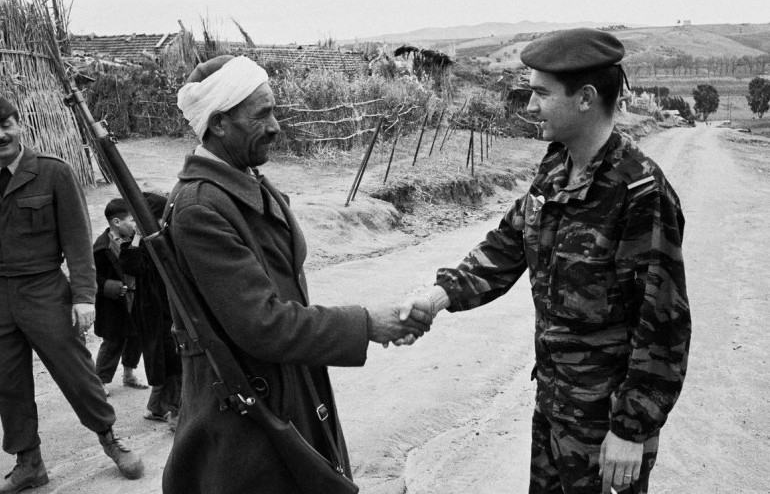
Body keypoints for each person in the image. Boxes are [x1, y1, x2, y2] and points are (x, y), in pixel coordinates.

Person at [403, 29, 691, 494]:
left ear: (585, 99)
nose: (529, 106)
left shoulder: (639, 192)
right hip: (554, 408)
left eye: (540, 93)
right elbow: (507, 244)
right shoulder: (557, 167)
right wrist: (438, 297)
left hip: (605, 427)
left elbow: (662, 322)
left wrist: (631, 430)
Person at [162, 55, 432, 494]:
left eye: (274, 110)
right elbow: (263, 324)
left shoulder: (247, 181)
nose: (276, 126)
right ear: (219, 124)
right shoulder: (200, 208)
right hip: (247, 404)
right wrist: (367, 324)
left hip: (287, 381)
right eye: (261, 114)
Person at [0, 95, 144, 493]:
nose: (1, 135)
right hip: (0, 296)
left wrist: (84, 296)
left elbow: (79, 241)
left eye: (6, 124)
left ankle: (111, 440)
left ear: (19, 125)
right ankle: (28, 462)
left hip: (44, 289)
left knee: (76, 373)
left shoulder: (52, 172)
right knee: (8, 382)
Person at [119, 192, 181, 431]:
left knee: (166, 359)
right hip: (155, 310)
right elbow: (131, 265)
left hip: (162, 307)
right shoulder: (140, 242)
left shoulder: (166, 237)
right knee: (172, 360)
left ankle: (156, 407)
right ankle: (175, 415)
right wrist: (136, 238)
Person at [93, 198, 147, 395]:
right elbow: (90, 276)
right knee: (113, 340)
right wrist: (108, 286)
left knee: (136, 337)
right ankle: (100, 380)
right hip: (114, 304)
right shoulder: (101, 248)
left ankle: (129, 374)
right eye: (132, 221)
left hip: (137, 298)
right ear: (116, 222)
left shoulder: (136, 240)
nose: (135, 225)